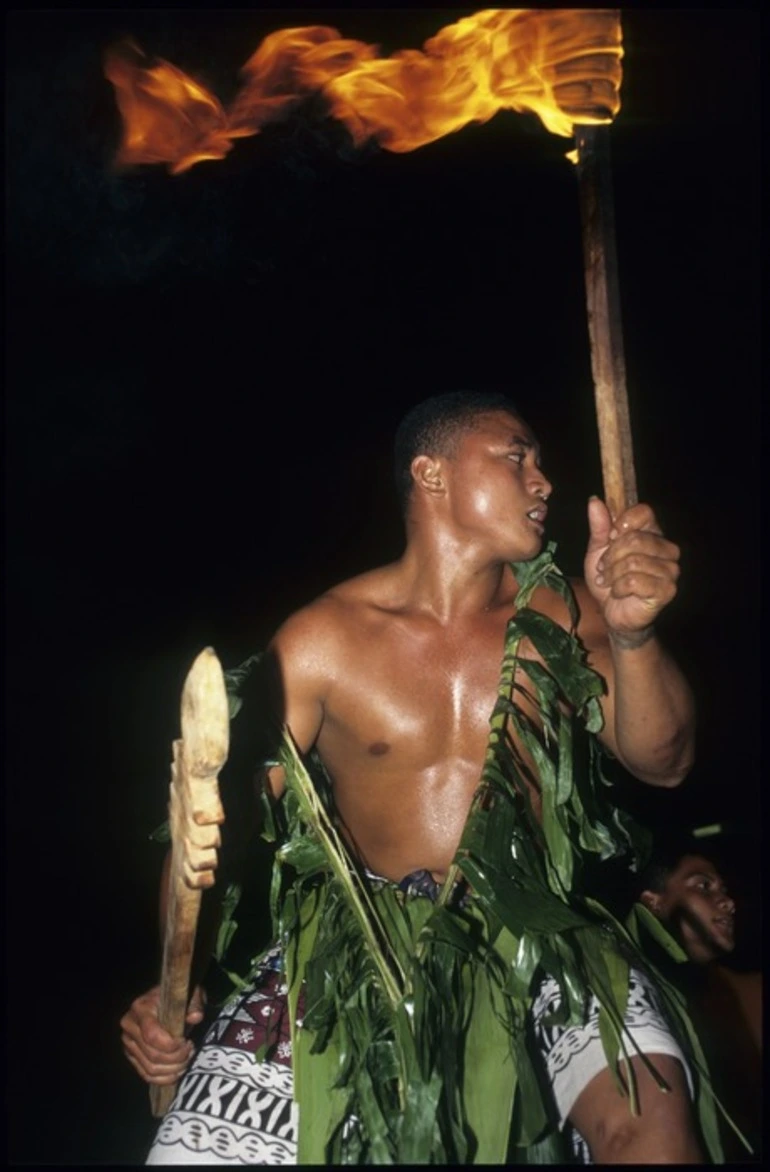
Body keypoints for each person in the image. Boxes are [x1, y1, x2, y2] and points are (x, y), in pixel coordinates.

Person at [121, 390, 711, 1164]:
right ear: (431, 475)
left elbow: (664, 763)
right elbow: (210, 834)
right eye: (516, 455)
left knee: (654, 1123)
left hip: (540, 938)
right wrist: (170, 981)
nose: (544, 481)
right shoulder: (322, 640)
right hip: (359, 950)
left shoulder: (571, 620)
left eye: (538, 462)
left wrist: (633, 638)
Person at [636, 835, 762, 1160]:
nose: (728, 901)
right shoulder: (637, 1001)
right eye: (703, 886)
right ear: (655, 902)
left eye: (723, 889)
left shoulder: (747, 992)